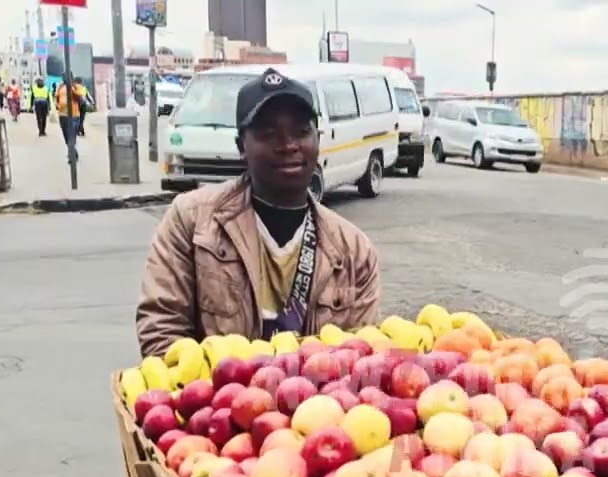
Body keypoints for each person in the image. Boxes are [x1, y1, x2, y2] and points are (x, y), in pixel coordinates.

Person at [136, 68, 380, 357]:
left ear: (318, 139)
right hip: (217, 399)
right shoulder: (191, 222)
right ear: (241, 147)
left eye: (301, 132)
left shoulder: (353, 251)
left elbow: (360, 356)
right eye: (268, 134)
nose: (288, 145)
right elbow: (160, 331)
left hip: (317, 401)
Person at [53, 76, 86, 150]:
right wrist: (58, 106)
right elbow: (57, 98)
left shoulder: (75, 86)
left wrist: (72, 87)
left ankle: (72, 151)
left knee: (73, 135)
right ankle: (71, 149)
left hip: (73, 114)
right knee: (66, 135)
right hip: (63, 114)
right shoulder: (60, 87)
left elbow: (80, 97)